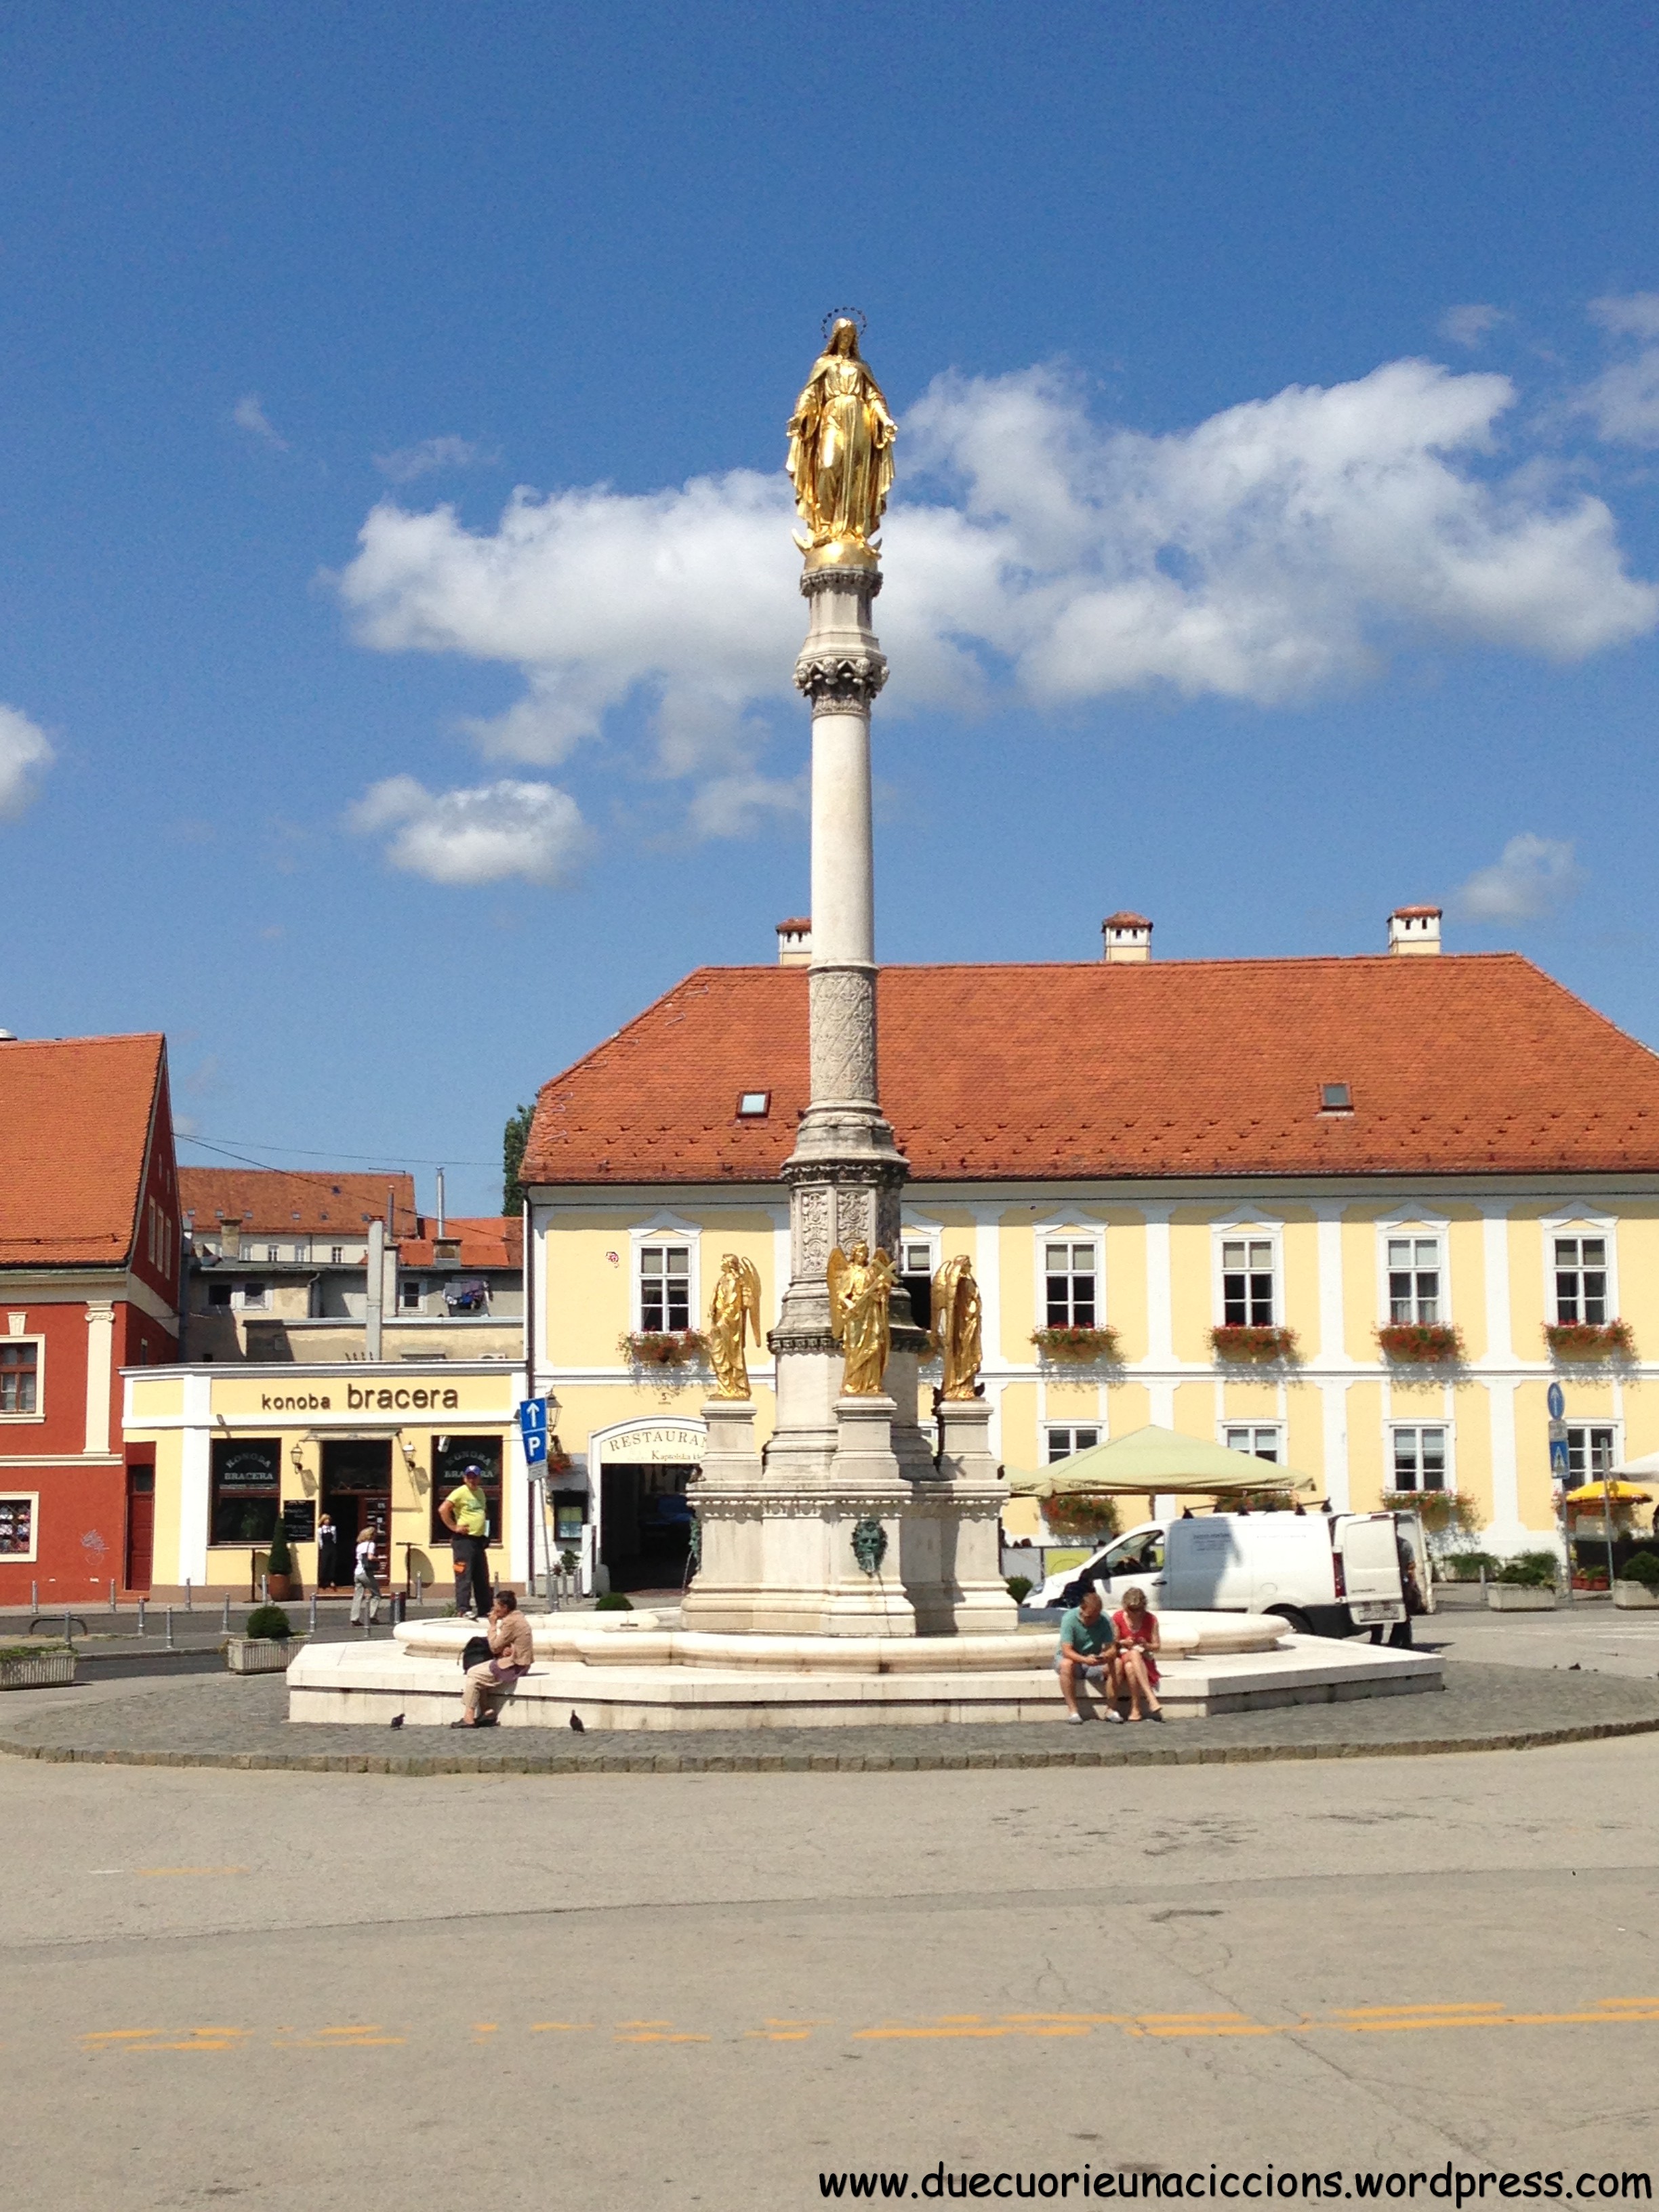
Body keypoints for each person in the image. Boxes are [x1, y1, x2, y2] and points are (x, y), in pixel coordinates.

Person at [453, 1588, 535, 1728]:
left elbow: (494, 1647)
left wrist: (492, 1626)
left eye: (496, 1606)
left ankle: (469, 1717)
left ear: (505, 1607)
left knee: (473, 1674)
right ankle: (487, 1712)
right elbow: (507, 1643)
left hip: (514, 1666)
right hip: (520, 1663)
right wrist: (507, 1648)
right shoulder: (518, 1617)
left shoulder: (510, 1622)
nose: (493, 1609)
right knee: (479, 1672)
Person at [1054, 1589, 1121, 1723]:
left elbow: (1111, 1648)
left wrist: (1105, 1656)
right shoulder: (1069, 1618)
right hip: (1074, 1660)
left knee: (1118, 1663)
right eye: (1089, 1617)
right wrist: (1084, 1659)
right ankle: (1073, 1711)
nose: (1093, 1621)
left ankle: (1111, 1709)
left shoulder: (1104, 1620)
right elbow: (1067, 1650)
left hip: (1094, 1659)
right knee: (1066, 1664)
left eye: (1096, 1616)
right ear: (1081, 1610)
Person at [439, 1461, 493, 1620]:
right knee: (464, 1575)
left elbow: (483, 1514)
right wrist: (454, 1527)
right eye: (469, 1477)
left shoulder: (481, 1493)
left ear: (479, 1478)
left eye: (475, 1477)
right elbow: (443, 1509)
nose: (472, 1480)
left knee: (482, 1576)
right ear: (464, 1478)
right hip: (463, 1541)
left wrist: (485, 1533)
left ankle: (485, 1609)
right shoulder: (460, 1492)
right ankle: (463, 1608)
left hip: (478, 1540)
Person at [1112, 1587, 1164, 1721]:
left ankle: (1136, 1709)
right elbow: (1113, 1644)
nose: (1135, 1613)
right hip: (1123, 1654)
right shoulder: (1118, 1618)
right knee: (1134, 1654)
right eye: (1131, 1610)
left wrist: (1146, 1645)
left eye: (1138, 1610)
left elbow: (1157, 1646)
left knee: (1131, 1667)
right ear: (1125, 1606)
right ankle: (1150, 1697)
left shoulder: (1151, 1619)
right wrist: (1123, 1642)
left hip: (1143, 1660)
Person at [349, 1523, 380, 1625]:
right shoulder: (371, 1544)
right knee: (376, 1594)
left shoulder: (359, 1546)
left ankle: (354, 1617)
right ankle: (372, 1616)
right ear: (371, 1535)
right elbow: (370, 1557)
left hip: (357, 1572)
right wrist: (377, 1559)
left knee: (358, 1596)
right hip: (366, 1573)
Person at [315, 1513, 340, 1590]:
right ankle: (323, 1581)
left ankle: (331, 1580)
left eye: (328, 1519)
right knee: (324, 1563)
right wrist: (322, 1547)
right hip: (325, 1547)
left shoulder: (333, 1528)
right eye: (326, 1519)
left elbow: (335, 1538)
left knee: (332, 1563)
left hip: (332, 1546)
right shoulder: (320, 1530)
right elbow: (320, 1540)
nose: (327, 1521)